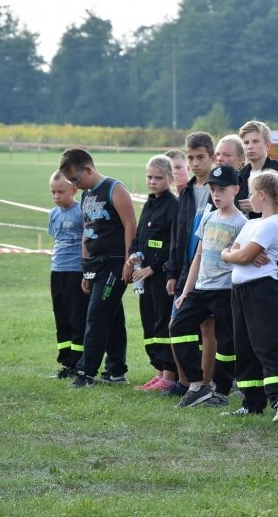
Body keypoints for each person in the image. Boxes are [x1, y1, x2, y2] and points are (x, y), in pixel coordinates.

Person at [221, 171, 278, 421]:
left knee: (267, 344)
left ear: (262, 195)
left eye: (252, 193)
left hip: (261, 290)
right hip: (240, 291)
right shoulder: (252, 223)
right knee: (244, 345)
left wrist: (239, 254)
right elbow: (232, 251)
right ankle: (251, 401)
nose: (249, 198)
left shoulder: (272, 224)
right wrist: (234, 254)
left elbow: (239, 255)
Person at [169, 165, 246, 408]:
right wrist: (186, 291)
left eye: (222, 189)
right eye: (213, 189)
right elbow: (198, 257)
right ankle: (196, 385)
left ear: (236, 189)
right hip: (201, 289)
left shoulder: (242, 222)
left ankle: (222, 391)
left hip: (225, 291)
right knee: (178, 326)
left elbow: (243, 257)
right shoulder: (208, 217)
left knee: (226, 342)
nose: (217, 194)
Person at [58, 148, 137, 388]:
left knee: (96, 316)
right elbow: (87, 230)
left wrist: (128, 261)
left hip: (114, 263)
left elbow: (130, 224)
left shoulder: (115, 188)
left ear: (89, 170)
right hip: (95, 265)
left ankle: (86, 373)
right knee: (111, 316)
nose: (74, 184)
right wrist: (86, 269)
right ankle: (116, 370)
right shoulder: (86, 195)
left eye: (75, 179)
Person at [163, 132, 216, 398]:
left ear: (213, 157)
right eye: (191, 158)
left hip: (210, 271)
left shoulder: (219, 188)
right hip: (184, 270)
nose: (195, 164)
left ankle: (204, 383)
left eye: (200, 158)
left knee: (207, 327)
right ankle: (184, 383)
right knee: (176, 322)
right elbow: (177, 234)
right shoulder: (185, 193)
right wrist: (172, 271)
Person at [127, 156, 179, 392]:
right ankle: (158, 372)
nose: (153, 181)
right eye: (149, 177)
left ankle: (169, 376)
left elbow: (171, 244)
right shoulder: (149, 203)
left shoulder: (173, 205)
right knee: (149, 324)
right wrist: (134, 254)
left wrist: (154, 268)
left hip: (160, 277)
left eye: (158, 178)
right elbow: (139, 236)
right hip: (143, 277)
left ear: (169, 178)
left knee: (162, 324)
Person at [47, 170, 89, 379]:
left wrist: (85, 271)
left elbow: (87, 241)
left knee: (77, 318)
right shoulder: (53, 214)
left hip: (75, 272)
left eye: (60, 192)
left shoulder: (81, 212)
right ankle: (66, 362)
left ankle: (80, 362)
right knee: (61, 318)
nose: (56, 196)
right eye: (53, 192)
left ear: (73, 190)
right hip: (57, 271)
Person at [236, 120, 278, 219]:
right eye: (246, 142)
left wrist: (259, 207)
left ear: (268, 145)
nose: (250, 146)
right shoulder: (240, 175)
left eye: (255, 141)